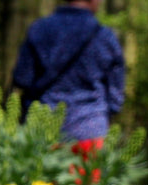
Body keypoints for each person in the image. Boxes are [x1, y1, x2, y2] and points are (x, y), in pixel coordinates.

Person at [12, 0, 126, 151]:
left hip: (41, 131)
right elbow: (115, 93)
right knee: (86, 176)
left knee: (40, 175)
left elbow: (22, 78)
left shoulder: (39, 29)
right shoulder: (104, 36)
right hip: (89, 133)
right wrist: (103, 115)